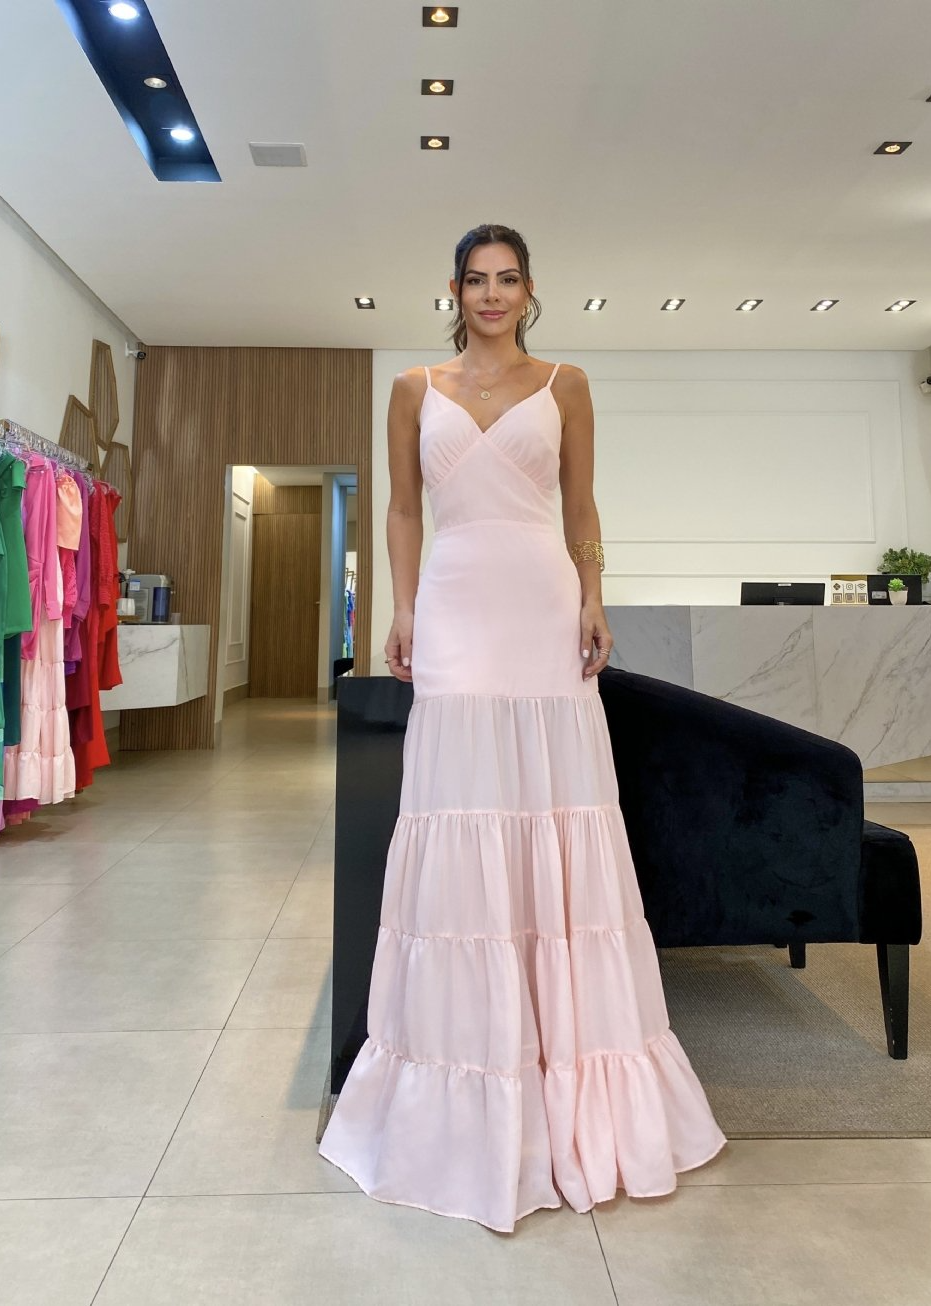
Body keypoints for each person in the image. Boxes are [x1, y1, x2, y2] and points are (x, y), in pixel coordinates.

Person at [318, 223, 725, 1232]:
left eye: (507, 279)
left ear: (528, 289)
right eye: (476, 280)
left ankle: (573, 1067)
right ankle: (466, 1066)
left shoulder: (565, 384)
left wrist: (593, 595)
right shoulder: (413, 388)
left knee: (555, 814)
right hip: (455, 607)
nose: (491, 294)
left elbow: (581, 508)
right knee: (461, 814)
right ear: (454, 290)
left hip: (541, 609)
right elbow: (402, 512)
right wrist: (402, 609)